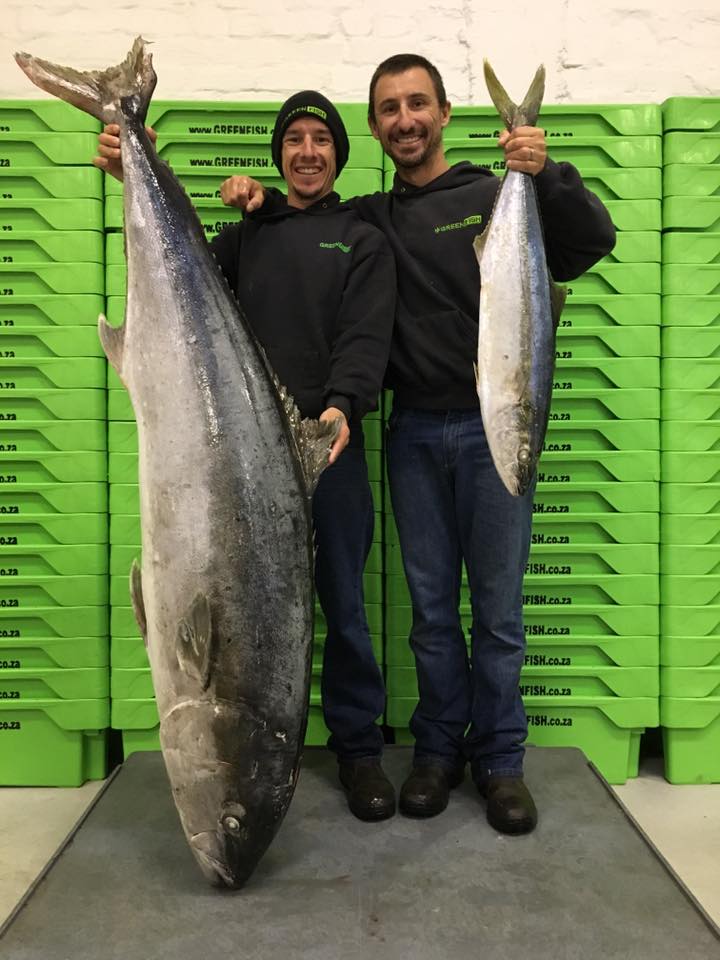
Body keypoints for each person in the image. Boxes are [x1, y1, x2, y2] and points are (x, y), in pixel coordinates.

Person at [226, 55, 616, 834]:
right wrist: (259, 200)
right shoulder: (368, 218)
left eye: (417, 104)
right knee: (433, 613)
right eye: (388, 110)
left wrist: (545, 175)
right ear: (372, 129)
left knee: (499, 614)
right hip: (411, 431)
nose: (404, 120)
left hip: (495, 423)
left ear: (441, 112)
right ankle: (438, 752)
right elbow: (308, 223)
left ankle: (500, 761)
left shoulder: (488, 193)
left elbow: (590, 244)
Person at [95, 91, 398, 823]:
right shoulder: (247, 234)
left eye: (320, 140)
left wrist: (342, 406)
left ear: (338, 153)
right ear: (279, 154)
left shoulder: (362, 236)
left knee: (345, 612)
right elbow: (182, 279)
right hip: (237, 457)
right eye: (293, 139)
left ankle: (358, 752)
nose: (307, 152)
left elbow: (365, 335)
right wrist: (137, 168)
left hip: (325, 451)